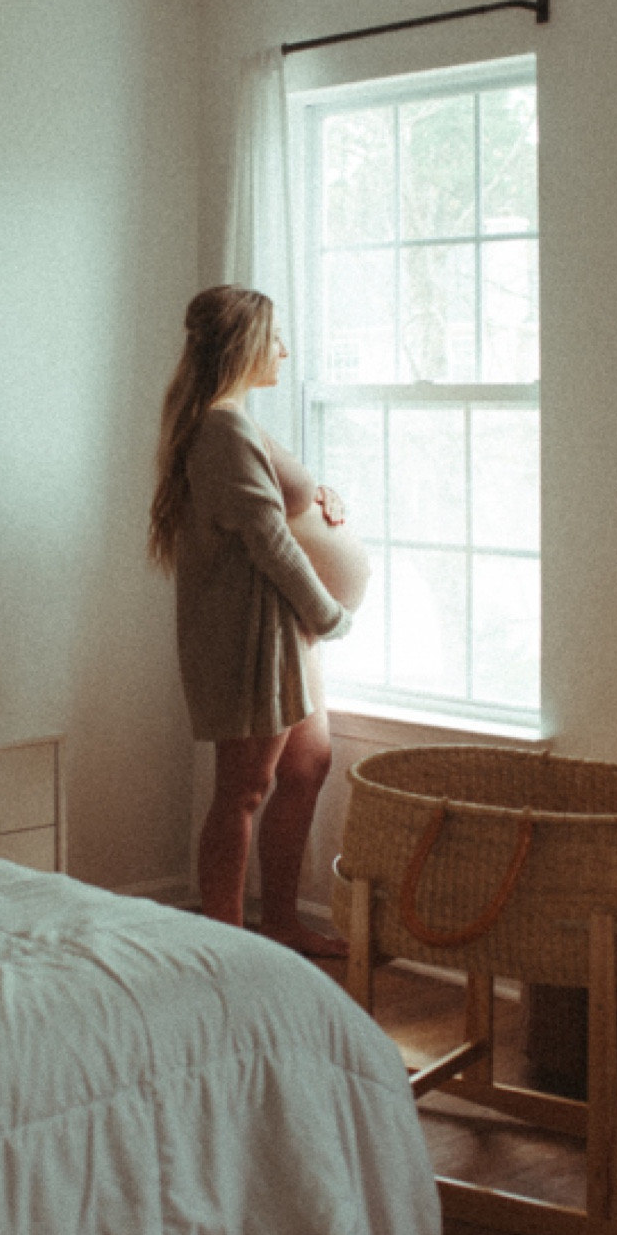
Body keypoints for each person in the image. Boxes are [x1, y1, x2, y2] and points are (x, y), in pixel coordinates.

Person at [149, 285, 352, 957]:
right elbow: (268, 541)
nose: (285, 351)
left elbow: (273, 504)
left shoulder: (237, 421)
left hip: (285, 631)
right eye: (275, 339)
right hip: (250, 636)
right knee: (243, 789)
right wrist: (329, 614)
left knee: (308, 766)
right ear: (246, 345)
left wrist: (319, 497)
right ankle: (225, 941)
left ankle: (282, 922)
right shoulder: (220, 429)